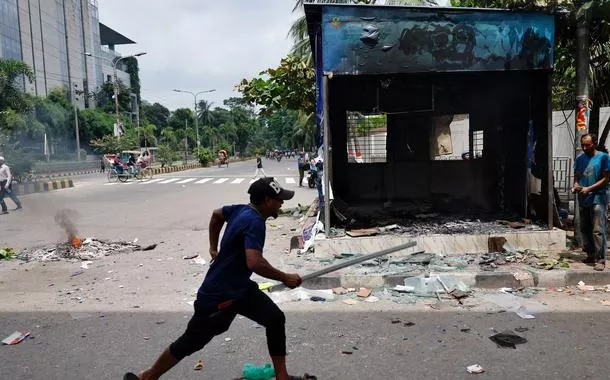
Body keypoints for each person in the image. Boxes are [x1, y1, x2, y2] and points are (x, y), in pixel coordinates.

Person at [124, 177, 307, 380]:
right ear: (266, 200)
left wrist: (213, 248)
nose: (282, 203)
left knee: (274, 319)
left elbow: (217, 214)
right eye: (278, 199)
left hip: (239, 289)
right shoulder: (255, 222)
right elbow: (254, 262)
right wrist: (285, 277)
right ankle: (148, 377)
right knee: (191, 341)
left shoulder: (241, 210)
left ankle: (282, 377)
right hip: (219, 295)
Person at [572, 133, 610, 271]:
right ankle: (590, 254)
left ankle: (600, 259)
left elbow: (606, 178)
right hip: (583, 197)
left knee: (598, 230)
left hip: (598, 197)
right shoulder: (580, 158)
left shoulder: (604, 157)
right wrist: (576, 184)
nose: (584, 147)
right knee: (585, 228)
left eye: (587, 145)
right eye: (583, 145)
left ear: (594, 143)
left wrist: (589, 188)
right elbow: (576, 175)